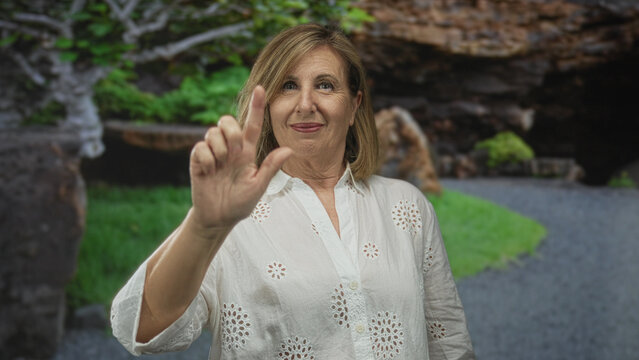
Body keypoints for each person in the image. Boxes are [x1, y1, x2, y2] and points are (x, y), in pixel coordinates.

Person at [111, 23, 475, 359]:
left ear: (354, 106)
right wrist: (205, 227)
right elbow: (142, 329)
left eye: (325, 85)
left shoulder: (406, 205)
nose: (305, 104)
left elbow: (449, 342)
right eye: (288, 86)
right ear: (268, 107)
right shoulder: (231, 218)